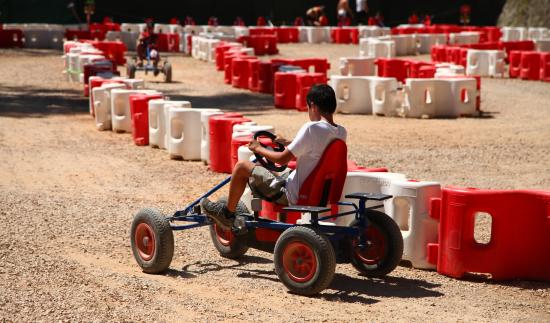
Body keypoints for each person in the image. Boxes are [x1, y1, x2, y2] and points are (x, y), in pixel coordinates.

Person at [201, 84, 348, 230]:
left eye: (308, 108)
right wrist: (290, 143)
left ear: (313, 106)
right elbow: (317, 151)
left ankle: (227, 214)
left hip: (296, 194)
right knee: (276, 171)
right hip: (319, 191)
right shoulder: (341, 132)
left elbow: (282, 159)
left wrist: (258, 148)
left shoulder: (311, 127)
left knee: (242, 167)